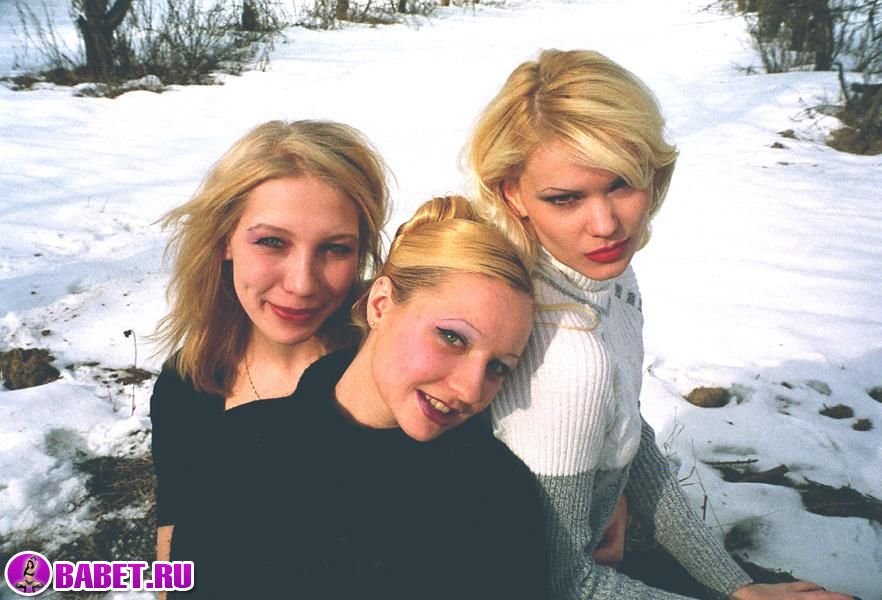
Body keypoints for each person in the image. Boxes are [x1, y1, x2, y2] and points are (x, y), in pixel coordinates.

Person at [467, 49, 856, 600]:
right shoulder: (568, 358)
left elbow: (631, 441)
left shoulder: (603, 281)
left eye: (622, 184)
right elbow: (563, 580)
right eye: (565, 199)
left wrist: (736, 586)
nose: (605, 225)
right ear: (513, 193)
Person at [165, 196, 548, 598]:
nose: (470, 390)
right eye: (452, 338)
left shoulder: (495, 495)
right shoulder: (236, 448)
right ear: (380, 305)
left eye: (498, 367)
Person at [150, 119, 390, 569]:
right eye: (272, 242)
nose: (302, 284)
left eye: (335, 249)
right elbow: (176, 532)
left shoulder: (390, 371)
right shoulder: (188, 383)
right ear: (224, 240)